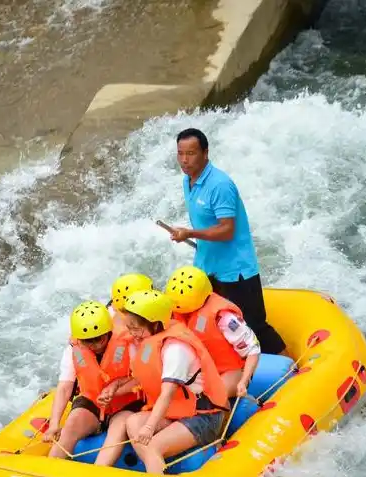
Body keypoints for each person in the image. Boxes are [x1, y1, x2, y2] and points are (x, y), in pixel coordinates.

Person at [170, 127, 286, 355]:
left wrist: (189, 234)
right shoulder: (188, 180)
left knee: (254, 326)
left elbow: (227, 230)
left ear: (205, 153)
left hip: (236, 270)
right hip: (208, 267)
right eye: (180, 153)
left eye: (191, 153)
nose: (185, 160)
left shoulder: (220, 185)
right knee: (214, 325)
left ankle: (291, 368)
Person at [122, 290, 229, 475]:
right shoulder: (151, 341)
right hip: (175, 412)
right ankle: (157, 468)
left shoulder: (176, 348)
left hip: (202, 416)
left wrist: (149, 427)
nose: (133, 334)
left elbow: (167, 393)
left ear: (155, 324)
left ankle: (155, 466)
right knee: (132, 422)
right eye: (129, 328)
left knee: (153, 446)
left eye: (136, 328)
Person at [43, 300, 143, 465]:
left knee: (117, 430)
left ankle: (99, 469)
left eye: (100, 339)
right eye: (89, 341)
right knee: (72, 424)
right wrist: (54, 424)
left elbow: (142, 378)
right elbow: (64, 387)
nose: (96, 345)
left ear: (108, 332)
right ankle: (49, 468)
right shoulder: (72, 350)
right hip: (92, 401)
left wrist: (116, 390)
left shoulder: (129, 343)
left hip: (126, 403)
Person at [165, 265, 260, 397]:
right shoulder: (173, 313)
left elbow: (252, 348)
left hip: (228, 371)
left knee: (217, 394)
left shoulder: (224, 317)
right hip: (196, 371)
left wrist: (244, 381)